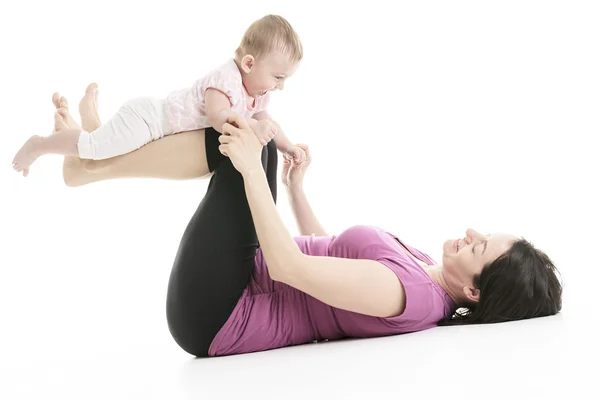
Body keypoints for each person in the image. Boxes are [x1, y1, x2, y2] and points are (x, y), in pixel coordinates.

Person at [50, 87, 562, 357]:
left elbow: (291, 267)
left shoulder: (411, 297)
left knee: (249, 141)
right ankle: (96, 157)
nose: (471, 233)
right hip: (234, 285)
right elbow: (328, 252)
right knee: (256, 140)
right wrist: (295, 189)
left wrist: (255, 168)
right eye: (483, 234)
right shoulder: (425, 270)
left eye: (479, 249)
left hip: (221, 316)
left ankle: (92, 162)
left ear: (473, 293)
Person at [12, 14, 305, 177]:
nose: (280, 86)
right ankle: (39, 145)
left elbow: (269, 122)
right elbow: (218, 117)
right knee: (93, 149)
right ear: (249, 63)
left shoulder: (256, 92)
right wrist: (253, 126)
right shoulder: (225, 79)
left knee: (107, 144)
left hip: (157, 128)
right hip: (149, 120)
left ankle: (87, 113)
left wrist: (288, 147)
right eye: (278, 77)